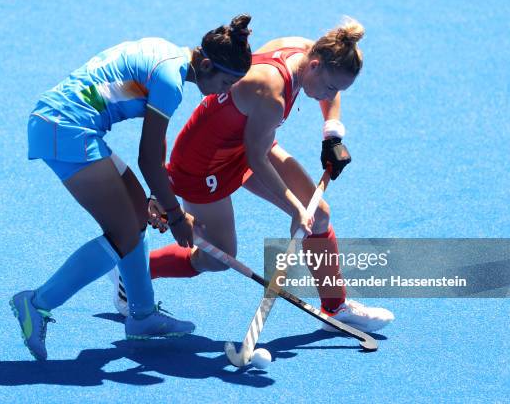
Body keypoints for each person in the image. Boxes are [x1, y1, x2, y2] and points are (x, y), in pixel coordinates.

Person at [113, 17, 394, 333]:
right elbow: (257, 160)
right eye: (329, 86)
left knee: (320, 216)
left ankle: (335, 307)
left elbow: (327, 94)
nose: (329, 94)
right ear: (315, 65)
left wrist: (332, 134)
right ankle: (133, 271)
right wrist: (295, 210)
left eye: (337, 89)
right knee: (219, 257)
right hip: (203, 163)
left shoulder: (305, 50)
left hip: (247, 142)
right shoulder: (271, 94)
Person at [10, 14, 253, 361]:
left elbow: (150, 156)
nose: (224, 92)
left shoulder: (167, 52)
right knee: (123, 232)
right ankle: (36, 303)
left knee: (138, 211)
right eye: (226, 82)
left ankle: (141, 314)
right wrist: (175, 214)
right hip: (65, 128)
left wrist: (158, 199)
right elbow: (149, 158)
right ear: (208, 64)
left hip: (73, 126)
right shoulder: (170, 83)